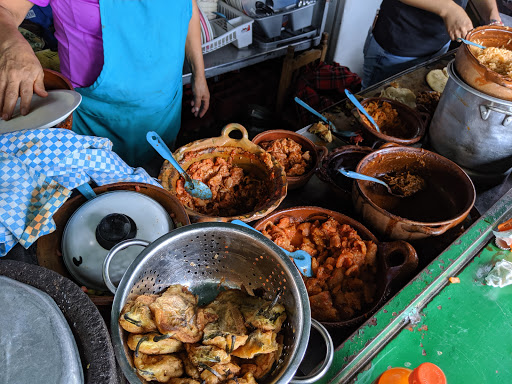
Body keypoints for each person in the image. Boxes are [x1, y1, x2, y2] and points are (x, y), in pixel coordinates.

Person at [0, 0, 210, 167]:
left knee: (159, 178)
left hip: (163, 108)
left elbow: (187, 6)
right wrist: (11, 44)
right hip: (96, 117)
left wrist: (198, 73)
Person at [362, 0, 502, 89]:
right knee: (373, 110)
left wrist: (492, 18)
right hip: (397, 48)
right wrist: (449, 9)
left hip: (439, 44)